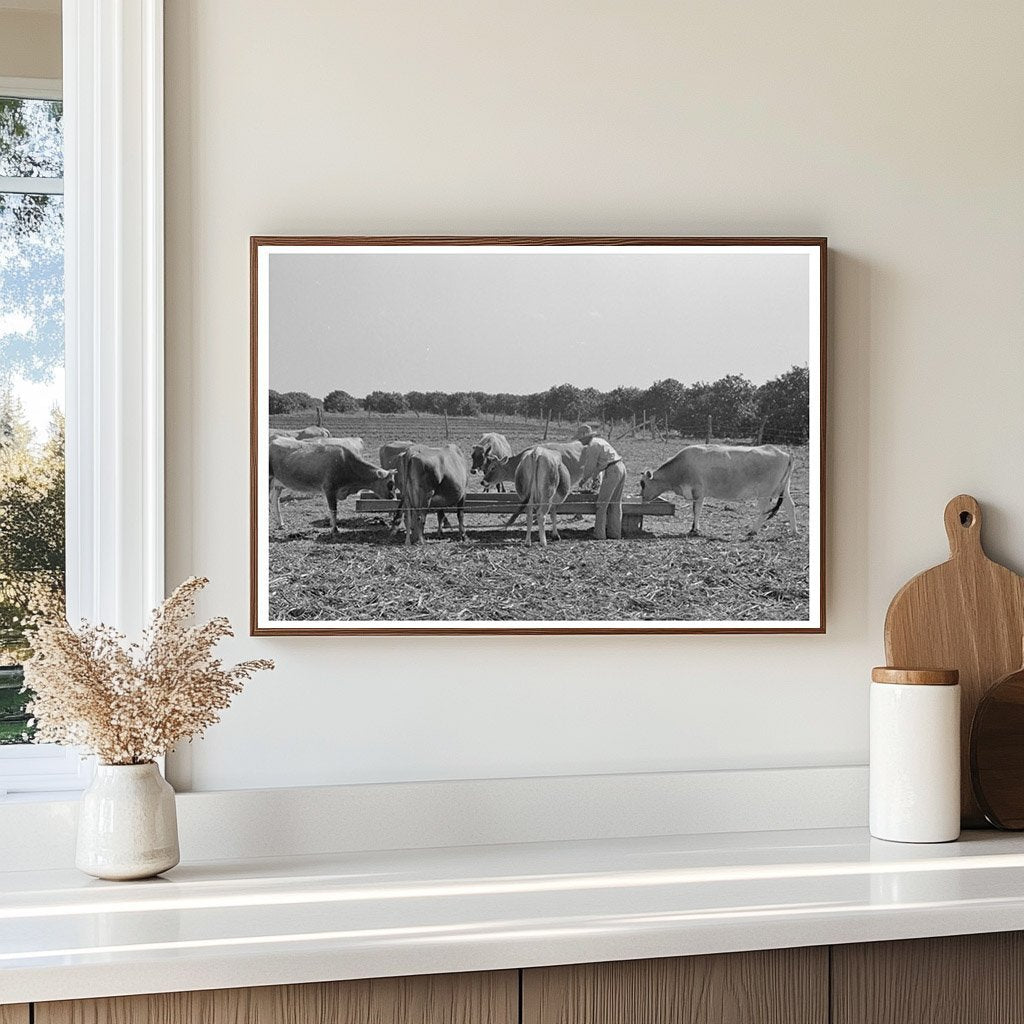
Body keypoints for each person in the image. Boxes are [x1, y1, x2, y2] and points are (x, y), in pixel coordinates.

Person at [575, 425, 626, 540]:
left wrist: (583, 480)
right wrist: (594, 478)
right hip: (621, 467)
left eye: (581, 440)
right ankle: (615, 534)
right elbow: (600, 464)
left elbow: (590, 466)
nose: (580, 442)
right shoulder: (600, 441)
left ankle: (599, 535)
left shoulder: (592, 446)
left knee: (601, 505)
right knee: (615, 503)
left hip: (612, 470)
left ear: (585, 438)